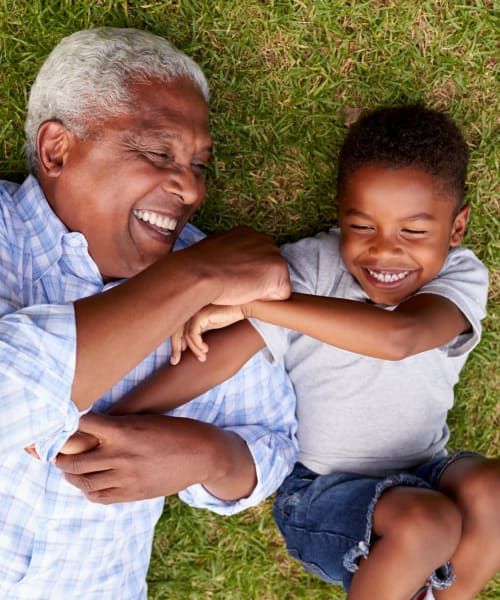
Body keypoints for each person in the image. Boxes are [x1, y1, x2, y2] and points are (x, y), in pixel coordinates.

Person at [102, 105, 500, 600]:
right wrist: (121, 416)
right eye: (362, 227)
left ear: (456, 228)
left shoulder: (459, 275)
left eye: (414, 232)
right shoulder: (310, 265)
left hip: (427, 468)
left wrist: (260, 304)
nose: (384, 253)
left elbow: (402, 338)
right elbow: (224, 355)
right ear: (340, 212)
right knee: (429, 521)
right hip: (320, 494)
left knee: (493, 490)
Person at [0, 27, 299, 598]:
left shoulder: (216, 287)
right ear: (57, 149)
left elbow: (272, 443)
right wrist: (191, 277)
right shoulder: (207, 272)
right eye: (159, 153)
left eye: (199, 165)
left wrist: (206, 456)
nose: (189, 189)